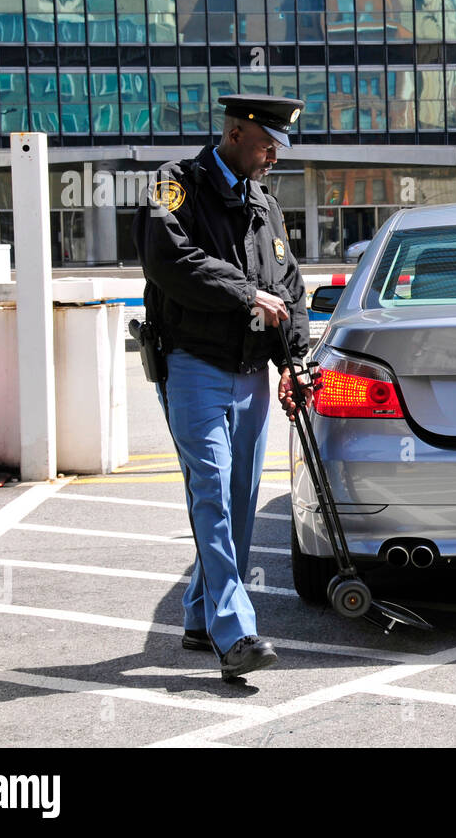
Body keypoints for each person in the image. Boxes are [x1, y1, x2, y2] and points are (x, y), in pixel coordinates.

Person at [133, 94, 311, 680]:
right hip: (193, 365)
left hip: (251, 374)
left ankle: (197, 615)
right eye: (266, 147)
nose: (272, 159)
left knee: (237, 502)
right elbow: (167, 258)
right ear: (236, 133)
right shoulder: (175, 184)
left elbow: (290, 288)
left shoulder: (264, 204)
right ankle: (235, 633)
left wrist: (294, 363)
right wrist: (242, 292)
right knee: (209, 492)